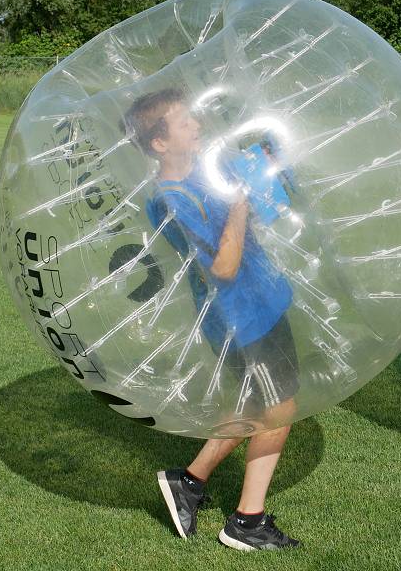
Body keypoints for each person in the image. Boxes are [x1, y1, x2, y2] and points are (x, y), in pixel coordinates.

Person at [126, 87, 301, 551]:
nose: (197, 125)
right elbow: (223, 267)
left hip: (258, 305)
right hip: (244, 319)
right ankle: (247, 521)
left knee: (252, 404)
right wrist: (241, 201)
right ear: (159, 143)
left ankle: (188, 482)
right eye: (185, 122)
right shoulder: (172, 201)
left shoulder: (199, 177)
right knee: (279, 410)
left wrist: (261, 173)